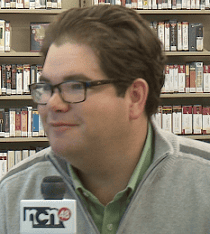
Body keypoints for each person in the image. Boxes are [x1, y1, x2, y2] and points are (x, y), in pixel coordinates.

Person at [1, 4, 210, 234]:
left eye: (74, 86)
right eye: (46, 87)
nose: (52, 104)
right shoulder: (13, 194)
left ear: (135, 97)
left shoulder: (203, 184)